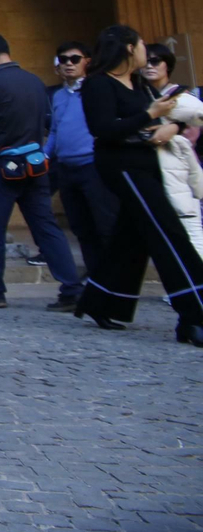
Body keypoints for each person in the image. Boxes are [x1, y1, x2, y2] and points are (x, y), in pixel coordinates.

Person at [75, 25, 203, 346]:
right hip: (122, 165)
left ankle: (102, 301)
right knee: (168, 231)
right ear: (129, 48)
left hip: (148, 161)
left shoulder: (139, 83)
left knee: (131, 235)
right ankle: (195, 314)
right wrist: (150, 114)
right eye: (143, 45)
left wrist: (172, 126)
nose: (147, 50)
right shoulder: (98, 84)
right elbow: (103, 129)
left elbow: (166, 116)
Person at [0, 33, 83, 311]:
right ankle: (71, 289)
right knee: (47, 227)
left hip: (2, 166)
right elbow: (46, 121)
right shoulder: (35, 81)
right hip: (35, 164)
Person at [44, 41, 121, 275]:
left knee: (105, 223)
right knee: (81, 226)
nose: (68, 63)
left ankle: (114, 276)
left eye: (74, 59)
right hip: (66, 168)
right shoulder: (58, 96)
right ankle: (95, 274)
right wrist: (44, 156)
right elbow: (55, 130)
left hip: (93, 165)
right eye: (63, 59)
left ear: (87, 61)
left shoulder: (96, 89)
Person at [139, 43, 203, 256]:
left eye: (155, 61)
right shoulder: (138, 95)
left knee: (191, 231)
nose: (149, 66)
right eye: (146, 61)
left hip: (178, 169)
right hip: (147, 169)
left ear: (167, 65)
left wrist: (175, 127)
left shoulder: (181, 96)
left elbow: (198, 119)